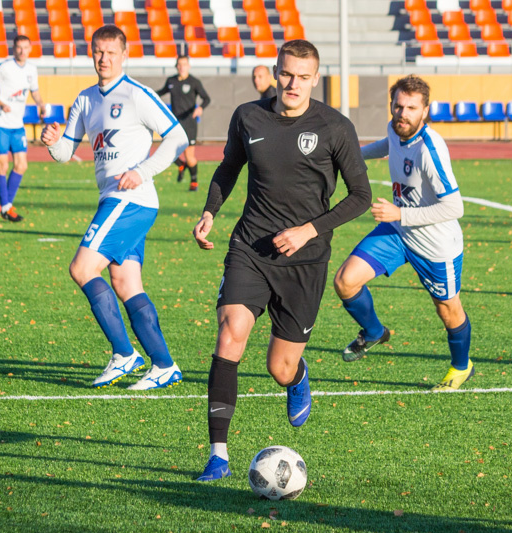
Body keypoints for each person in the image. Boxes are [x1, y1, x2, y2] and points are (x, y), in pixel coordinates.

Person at [191, 39, 372, 482]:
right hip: (250, 248)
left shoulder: (335, 127)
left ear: (315, 78)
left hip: (305, 261)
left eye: (303, 77)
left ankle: (297, 377)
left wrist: (309, 230)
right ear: (276, 71)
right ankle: (218, 455)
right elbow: (229, 168)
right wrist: (210, 212)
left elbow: (362, 196)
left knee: (280, 366)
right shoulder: (248, 116)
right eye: (286, 74)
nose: (293, 84)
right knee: (230, 331)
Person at [41, 25, 189, 390]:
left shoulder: (137, 95)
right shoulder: (85, 99)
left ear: (125, 55)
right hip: (113, 199)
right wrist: (53, 142)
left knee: (81, 267)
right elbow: (65, 154)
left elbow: (178, 137)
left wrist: (142, 171)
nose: (103, 58)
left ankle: (124, 354)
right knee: (125, 282)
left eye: (111, 52)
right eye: (98, 51)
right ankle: (164, 364)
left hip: (132, 200)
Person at [333, 75, 473, 392]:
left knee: (448, 310)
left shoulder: (430, 150)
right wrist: (351, 156)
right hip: (399, 231)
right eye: (398, 105)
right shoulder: (395, 128)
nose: (402, 113)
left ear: (425, 110)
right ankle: (373, 333)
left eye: (411, 107)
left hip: (436, 245)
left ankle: (462, 367)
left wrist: (401, 213)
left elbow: (455, 208)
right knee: (345, 281)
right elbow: (387, 145)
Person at [0, 35, 45, 222]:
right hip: (1, 122)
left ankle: (6, 205)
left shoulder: (32, 70)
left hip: (17, 124)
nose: (22, 51)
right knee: (2, 164)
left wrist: (41, 104)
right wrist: (0, 103)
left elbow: (34, 91)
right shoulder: (4, 67)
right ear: (13, 48)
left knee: (21, 165)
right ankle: (6, 206)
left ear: (30, 48)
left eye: (25, 47)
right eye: (19, 47)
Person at [156, 55, 210, 191]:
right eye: (179, 64)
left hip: (189, 123)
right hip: (174, 123)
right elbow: (160, 92)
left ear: (188, 66)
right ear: (176, 66)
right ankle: (181, 165)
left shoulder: (194, 82)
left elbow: (206, 98)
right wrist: (147, 94)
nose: (181, 67)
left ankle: (194, 183)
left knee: (189, 156)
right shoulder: (171, 81)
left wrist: (200, 108)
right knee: (167, 151)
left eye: (184, 64)